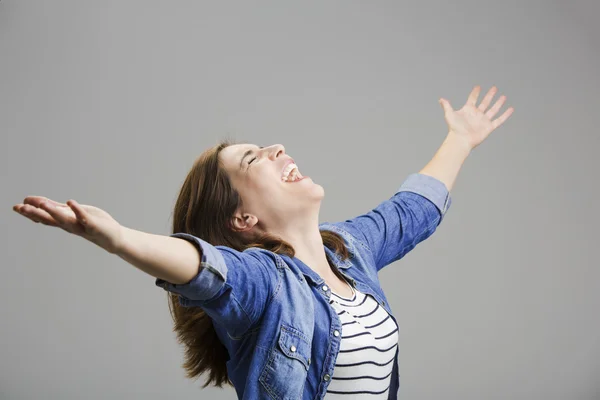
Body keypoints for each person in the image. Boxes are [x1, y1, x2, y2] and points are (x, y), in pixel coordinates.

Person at [13, 85, 513, 399]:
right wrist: (119, 238)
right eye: (253, 160)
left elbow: (411, 212)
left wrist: (461, 139)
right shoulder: (266, 284)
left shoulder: (349, 248)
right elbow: (207, 269)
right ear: (243, 217)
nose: (276, 148)